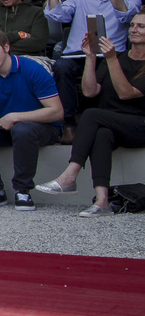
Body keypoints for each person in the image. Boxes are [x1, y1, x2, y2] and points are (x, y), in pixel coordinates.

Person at [35, 14, 145, 215]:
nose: (134, 29)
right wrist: (91, 57)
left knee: (92, 114)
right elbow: (89, 91)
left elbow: (126, 93)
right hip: (110, 122)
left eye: (141, 26)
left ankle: (70, 174)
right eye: (132, 25)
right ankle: (102, 201)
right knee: (101, 134)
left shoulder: (115, 58)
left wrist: (110, 58)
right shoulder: (119, 56)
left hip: (139, 125)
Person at [0, 26, 64, 210]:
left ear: (6, 47)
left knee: (22, 128)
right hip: (2, 126)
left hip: (42, 126)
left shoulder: (32, 69)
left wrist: (16, 117)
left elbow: (56, 111)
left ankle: (23, 190)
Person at [45, 0, 140, 125]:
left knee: (107, 70)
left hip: (110, 56)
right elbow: (56, 16)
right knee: (61, 66)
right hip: (76, 55)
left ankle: (106, 120)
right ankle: (68, 123)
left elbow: (124, 14)